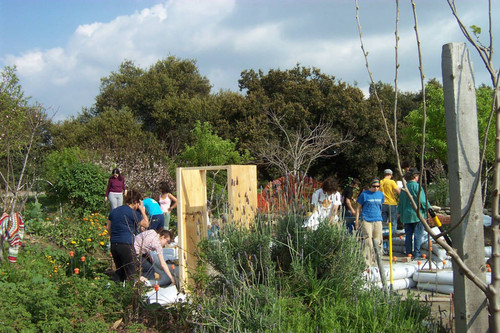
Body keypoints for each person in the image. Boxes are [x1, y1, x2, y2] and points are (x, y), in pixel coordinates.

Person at [107, 189, 149, 281]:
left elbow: (108, 228)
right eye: (138, 203)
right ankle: (131, 293)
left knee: (120, 271)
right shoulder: (132, 212)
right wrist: (142, 210)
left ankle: (116, 291)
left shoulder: (114, 211)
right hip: (126, 245)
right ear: (135, 202)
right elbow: (146, 224)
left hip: (114, 244)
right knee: (131, 272)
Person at [398, 167, 429, 259]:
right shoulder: (417, 187)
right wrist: (428, 209)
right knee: (417, 234)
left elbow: (401, 202)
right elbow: (423, 201)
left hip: (406, 215)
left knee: (408, 235)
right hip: (417, 214)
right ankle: (417, 254)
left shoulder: (404, 188)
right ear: (415, 176)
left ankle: (408, 253)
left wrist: (400, 212)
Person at [356, 178, 385, 266]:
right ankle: (366, 262)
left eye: (378, 187)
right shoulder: (364, 195)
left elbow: (381, 206)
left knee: (378, 241)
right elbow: (358, 208)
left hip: (377, 219)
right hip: (366, 219)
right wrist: (357, 221)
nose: (376, 188)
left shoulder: (381, 194)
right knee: (368, 241)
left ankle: (377, 262)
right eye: (374, 186)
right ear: (370, 186)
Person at [380, 169, 401, 234]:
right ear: (391, 175)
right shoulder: (392, 182)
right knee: (393, 221)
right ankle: (392, 234)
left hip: (383, 203)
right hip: (392, 203)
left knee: (383, 221)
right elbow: (398, 192)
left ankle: (383, 234)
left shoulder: (381, 182)